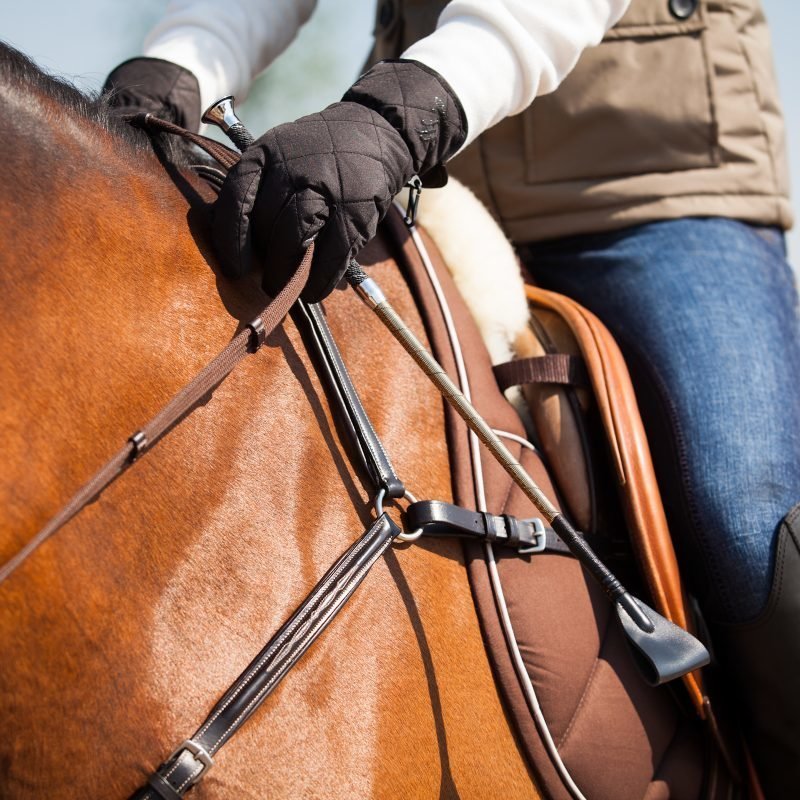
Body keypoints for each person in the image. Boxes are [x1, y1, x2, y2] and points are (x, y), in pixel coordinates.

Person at [104, 1, 800, 795]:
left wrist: (412, 105)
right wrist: (183, 60)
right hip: (435, 183)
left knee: (745, 515)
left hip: (652, 190)